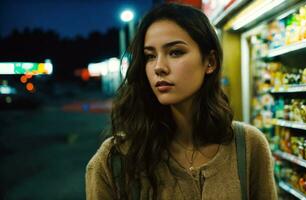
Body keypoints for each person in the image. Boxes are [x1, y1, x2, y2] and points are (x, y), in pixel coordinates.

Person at [85, 3, 277, 200]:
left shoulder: (248, 146)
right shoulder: (115, 160)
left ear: (210, 62)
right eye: (150, 56)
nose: (159, 67)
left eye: (175, 52)